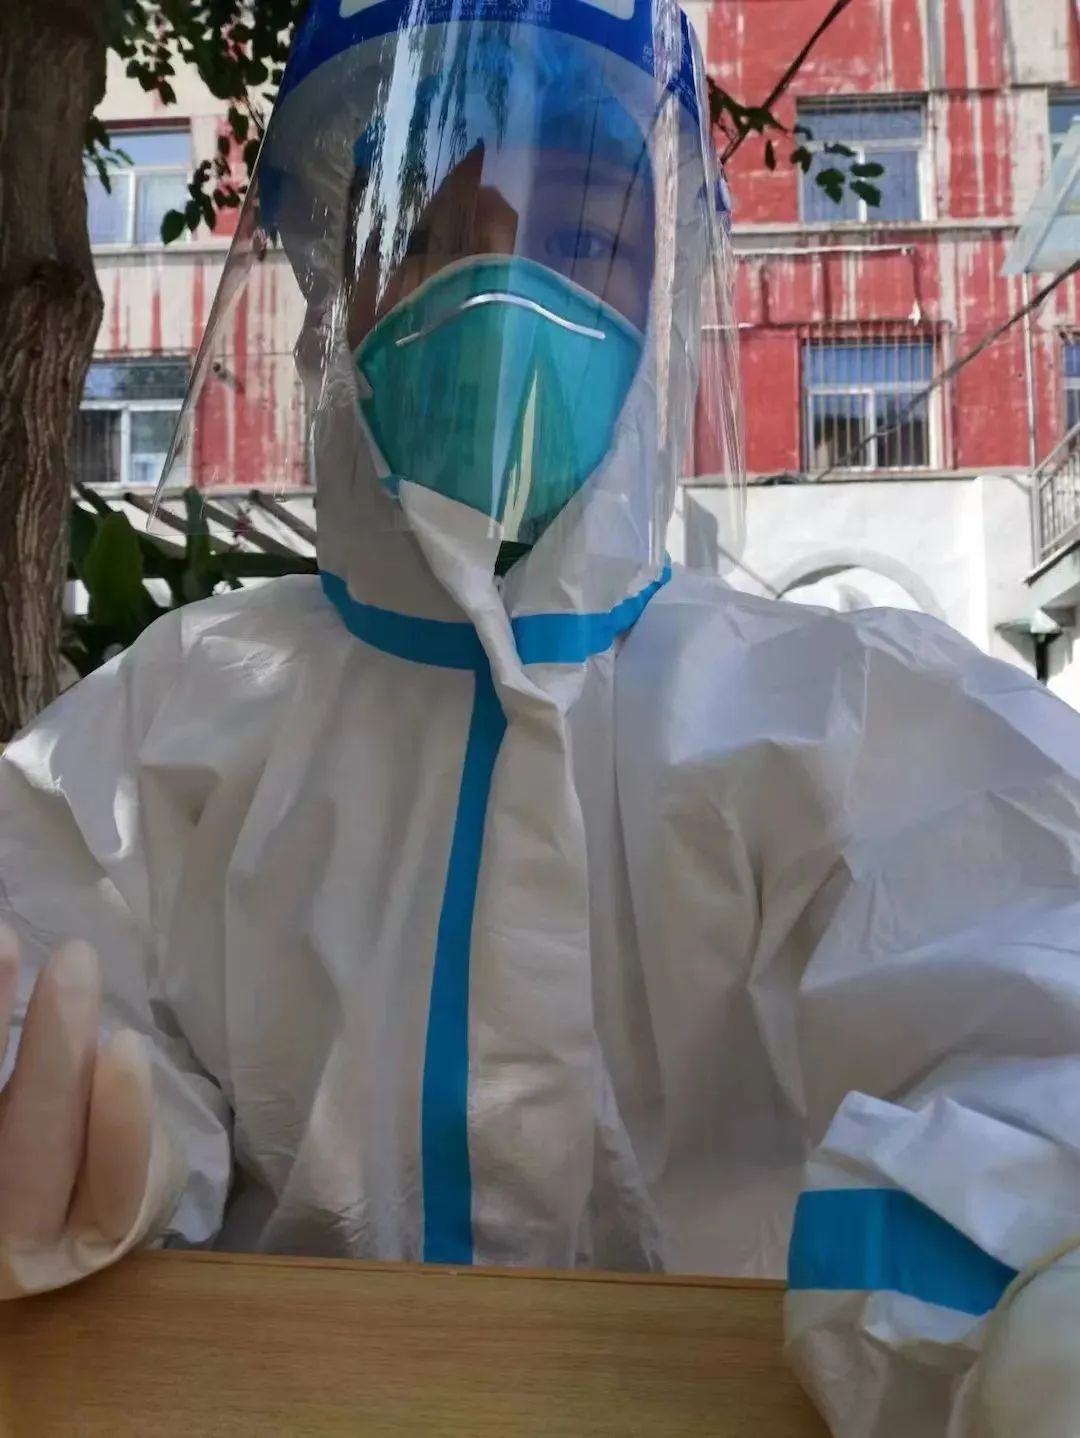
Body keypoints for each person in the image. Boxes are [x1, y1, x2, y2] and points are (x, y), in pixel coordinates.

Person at [1, 0, 1078, 1432]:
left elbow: (1034, 985)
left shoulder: (836, 718)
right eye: (429, 232)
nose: (500, 283)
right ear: (333, 296)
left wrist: (1016, 1265)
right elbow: (51, 952)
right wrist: (94, 1145)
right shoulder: (179, 713)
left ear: (661, 289)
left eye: (578, 232)